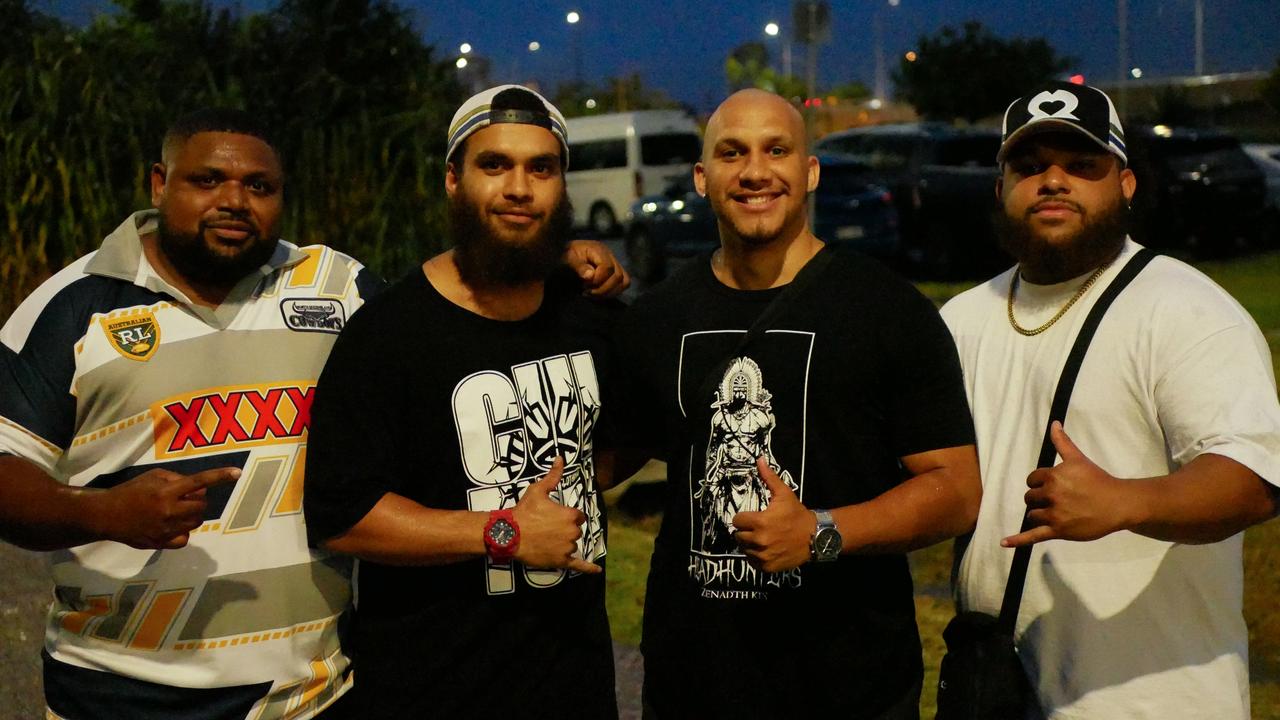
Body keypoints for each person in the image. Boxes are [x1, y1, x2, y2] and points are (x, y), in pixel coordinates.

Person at [0, 108, 627, 719]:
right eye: (206, 180)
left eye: (259, 186)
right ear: (160, 184)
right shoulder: (72, 306)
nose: (234, 201)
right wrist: (102, 511)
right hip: (120, 689)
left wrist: (553, 256)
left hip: (307, 693)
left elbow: (453, 315)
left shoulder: (334, 287)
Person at [612, 88, 982, 718]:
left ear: (809, 172)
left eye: (776, 150)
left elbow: (955, 489)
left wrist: (820, 532)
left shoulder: (887, 311)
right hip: (696, 684)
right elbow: (602, 459)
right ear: (702, 179)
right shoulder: (659, 317)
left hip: (847, 686)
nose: (755, 171)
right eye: (733, 153)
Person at [940, 80, 1280, 719]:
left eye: (1083, 165)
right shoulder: (962, 318)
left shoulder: (1184, 310)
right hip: (999, 693)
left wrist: (1128, 500)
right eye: (1030, 167)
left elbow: (1255, 479)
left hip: (1152, 700)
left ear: (1125, 183)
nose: (1053, 181)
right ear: (1000, 188)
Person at [302, 85, 620, 719]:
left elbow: (621, 439)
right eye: (494, 164)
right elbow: (341, 513)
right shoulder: (389, 334)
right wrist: (504, 532)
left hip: (576, 684)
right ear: (453, 179)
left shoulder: (587, 314)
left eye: (541, 168)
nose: (519, 188)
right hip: (435, 689)